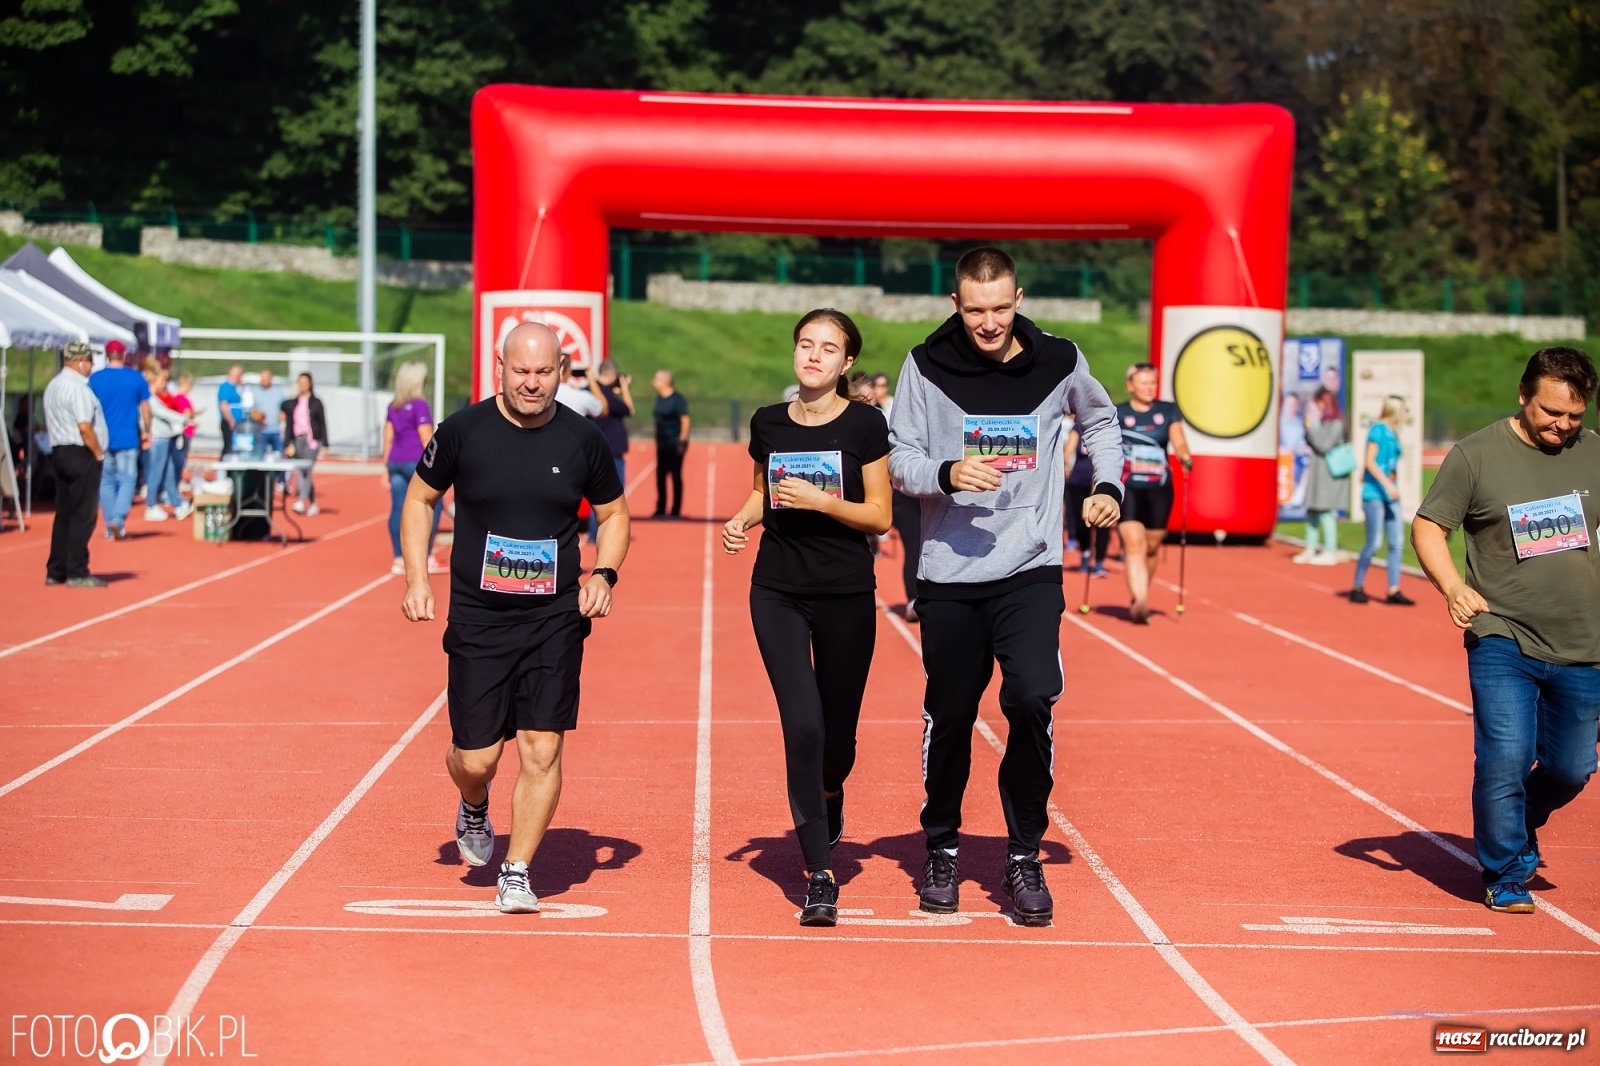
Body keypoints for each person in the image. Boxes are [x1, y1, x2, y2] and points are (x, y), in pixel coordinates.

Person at [888, 247, 1123, 925]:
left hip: (1031, 566)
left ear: (1018, 297)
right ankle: (942, 845)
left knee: (1030, 697)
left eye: (999, 308)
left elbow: (1101, 421)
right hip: (950, 572)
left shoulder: (1059, 360)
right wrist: (945, 472)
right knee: (953, 716)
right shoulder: (925, 365)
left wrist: (1106, 485)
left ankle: (1023, 855)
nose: (987, 323)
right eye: (974, 309)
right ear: (955, 305)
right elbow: (899, 453)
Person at [400, 321, 629, 915]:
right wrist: (418, 578)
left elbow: (614, 514)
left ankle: (518, 870)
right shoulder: (462, 431)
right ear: (499, 367)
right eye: (521, 371)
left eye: (544, 371)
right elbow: (421, 498)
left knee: (541, 748)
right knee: (476, 758)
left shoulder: (583, 439)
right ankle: (473, 801)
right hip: (479, 614)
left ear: (561, 370)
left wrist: (603, 574)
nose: (532, 383)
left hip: (555, 614)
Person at [1412, 347, 1600, 914]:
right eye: (1552, 413)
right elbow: (1428, 527)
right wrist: (1453, 588)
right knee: (1505, 758)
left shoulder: (1593, 453)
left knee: (1572, 769)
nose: (1564, 426)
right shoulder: (1475, 456)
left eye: (1576, 415)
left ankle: (1522, 820)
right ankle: (1505, 873)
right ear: (1523, 396)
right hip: (1502, 635)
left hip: (1584, 642)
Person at [722, 309, 892, 927]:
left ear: (847, 364)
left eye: (828, 348)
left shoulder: (866, 423)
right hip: (778, 591)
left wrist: (823, 500)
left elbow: (879, 516)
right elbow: (765, 485)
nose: (813, 356)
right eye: (805, 344)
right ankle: (820, 874)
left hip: (846, 591)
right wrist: (744, 519)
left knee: (837, 740)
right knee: (803, 724)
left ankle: (830, 790)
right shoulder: (768, 421)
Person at [1115, 362, 1192, 624]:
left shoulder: (1167, 410)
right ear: (1131, 386)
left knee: (1152, 546)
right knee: (1134, 545)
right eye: (1144, 383)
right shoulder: (1118, 413)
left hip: (1159, 487)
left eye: (1152, 382)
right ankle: (1140, 599)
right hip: (1130, 486)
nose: (1149, 388)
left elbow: (1178, 439)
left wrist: (1184, 456)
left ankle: (1141, 590)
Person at [44, 343, 108, 586]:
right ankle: (77, 570)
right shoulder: (78, 388)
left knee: (64, 513)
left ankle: (56, 569)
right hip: (80, 453)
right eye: (90, 360)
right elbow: (84, 426)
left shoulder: (54, 385)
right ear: (79, 360)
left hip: (59, 450)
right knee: (83, 514)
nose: (91, 365)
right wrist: (98, 453)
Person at [382, 361, 445, 575]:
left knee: (398, 509)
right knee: (432, 505)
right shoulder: (420, 405)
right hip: (417, 463)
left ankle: (398, 557)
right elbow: (427, 437)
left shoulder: (393, 405)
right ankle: (426, 556)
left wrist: (385, 467)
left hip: (395, 461)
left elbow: (388, 436)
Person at [1351, 396, 1413, 604]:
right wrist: (1386, 484)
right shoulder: (1377, 430)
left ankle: (1393, 589)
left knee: (1397, 542)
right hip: (1375, 495)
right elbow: (1369, 461)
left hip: (1391, 495)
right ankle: (1357, 585)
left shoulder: (1394, 434)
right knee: (1374, 542)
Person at [88, 341, 150, 539]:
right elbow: (146, 408)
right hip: (128, 437)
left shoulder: (95, 379)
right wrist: (147, 430)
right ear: (124, 356)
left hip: (103, 438)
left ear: (107, 355)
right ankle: (118, 520)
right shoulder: (135, 378)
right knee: (128, 480)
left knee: (105, 481)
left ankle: (109, 525)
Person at [1293, 386, 1348, 565]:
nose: (1317, 408)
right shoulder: (1323, 423)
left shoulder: (1337, 423)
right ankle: (1311, 546)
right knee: (1313, 511)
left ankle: (1330, 550)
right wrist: (1310, 429)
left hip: (1329, 474)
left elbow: (1324, 445)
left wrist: (1312, 429)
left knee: (1325, 512)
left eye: (1319, 404)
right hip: (1318, 472)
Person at [586, 359, 634, 541]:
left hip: (594, 451)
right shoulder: (608, 398)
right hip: (612, 452)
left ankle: (594, 533)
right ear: (613, 375)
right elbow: (629, 409)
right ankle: (602, 534)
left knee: (595, 494)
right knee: (612, 497)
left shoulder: (590, 391)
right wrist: (625, 389)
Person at [142, 365, 190, 522]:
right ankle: (151, 504)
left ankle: (177, 504)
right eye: (162, 380)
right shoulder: (149, 397)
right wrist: (183, 418)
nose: (165, 384)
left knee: (169, 473)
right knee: (156, 473)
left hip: (165, 438)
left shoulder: (155, 397)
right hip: (158, 440)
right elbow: (161, 413)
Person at [1064, 423, 1109, 577]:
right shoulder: (1078, 428)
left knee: (1102, 520)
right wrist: (1065, 467)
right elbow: (1068, 451)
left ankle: (1099, 561)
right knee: (1083, 520)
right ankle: (1086, 553)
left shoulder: (1108, 427)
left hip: (1101, 481)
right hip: (1080, 480)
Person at [282, 373, 328, 515]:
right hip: (297, 440)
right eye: (300, 382)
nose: (302, 385)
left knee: (307, 470)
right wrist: (287, 442)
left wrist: (325, 444)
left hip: (312, 441)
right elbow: (289, 423)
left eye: (305, 382)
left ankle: (302, 501)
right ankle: (313, 503)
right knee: (302, 471)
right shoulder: (293, 403)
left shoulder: (316, 402)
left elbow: (323, 423)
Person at [652, 369, 690, 518]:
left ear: (665, 381)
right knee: (660, 475)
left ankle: (675, 509)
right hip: (662, 444)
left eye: (656, 379)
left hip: (674, 443)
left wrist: (682, 441)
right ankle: (660, 508)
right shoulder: (659, 398)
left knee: (675, 475)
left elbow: (685, 420)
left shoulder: (678, 399)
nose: (653, 382)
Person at [254, 368, 286, 456]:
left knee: (280, 455)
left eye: (266, 377)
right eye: (262, 378)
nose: (264, 380)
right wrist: (258, 417)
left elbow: (284, 410)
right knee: (260, 456)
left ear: (271, 378)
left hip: (276, 431)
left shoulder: (278, 393)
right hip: (261, 432)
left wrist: (283, 419)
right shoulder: (255, 392)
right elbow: (251, 411)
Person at [217, 365, 245, 457]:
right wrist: (231, 421)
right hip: (229, 423)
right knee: (229, 447)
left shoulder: (237, 388)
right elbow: (224, 406)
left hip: (238, 423)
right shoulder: (226, 387)